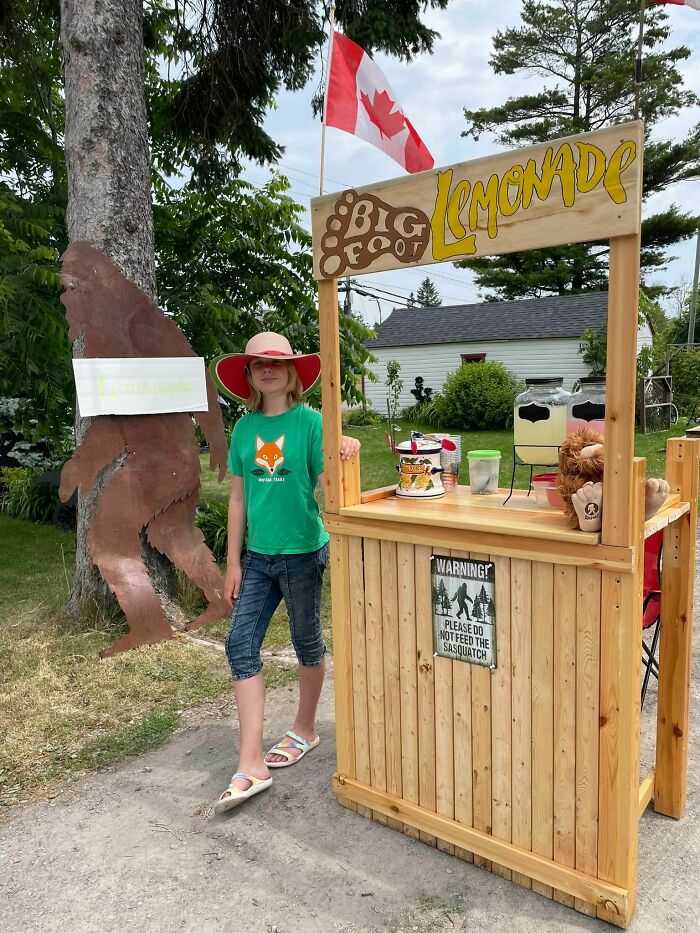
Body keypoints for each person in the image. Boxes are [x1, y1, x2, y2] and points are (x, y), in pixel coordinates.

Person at [209, 332, 360, 813]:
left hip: (302, 553)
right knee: (239, 644)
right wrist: (231, 562)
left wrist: (345, 447)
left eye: (276, 363)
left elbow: (326, 479)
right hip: (258, 557)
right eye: (257, 364)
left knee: (306, 642)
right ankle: (250, 762)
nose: (266, 370)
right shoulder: (244, 429)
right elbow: (237, 497)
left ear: (294, 372)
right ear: (249, 376)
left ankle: (305, 729)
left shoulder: (311, 424)